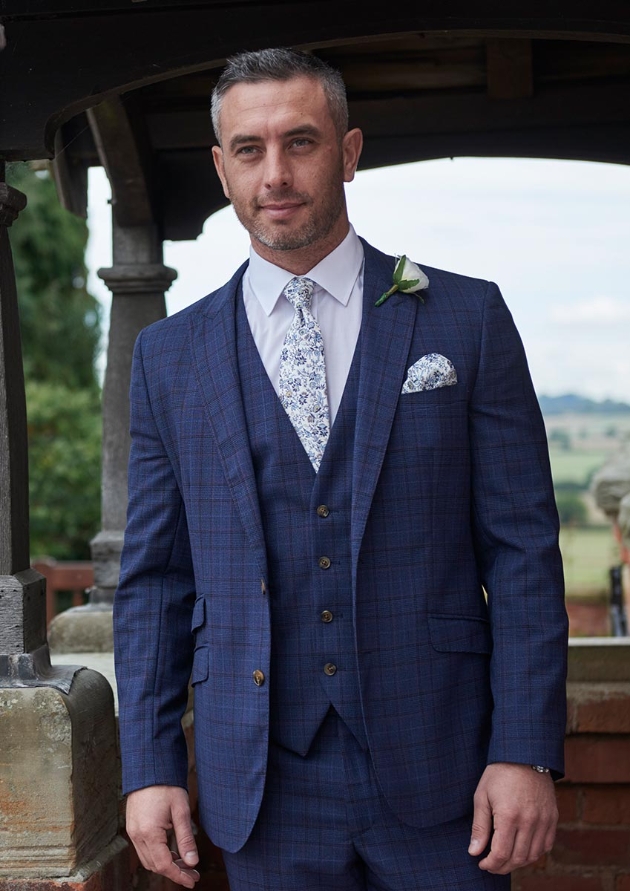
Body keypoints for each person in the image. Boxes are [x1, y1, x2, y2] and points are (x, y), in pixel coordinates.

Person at [114, 47, 568, 891]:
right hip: (262, 784)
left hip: (448, 772)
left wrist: (526, 749)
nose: (275, 173)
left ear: (350, 152)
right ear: (221, 167)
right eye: (249, 149)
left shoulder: (467, 320)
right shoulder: (167, 357)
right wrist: (147, 764)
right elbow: (153, 580)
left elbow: (523, 553)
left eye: (302, 142)